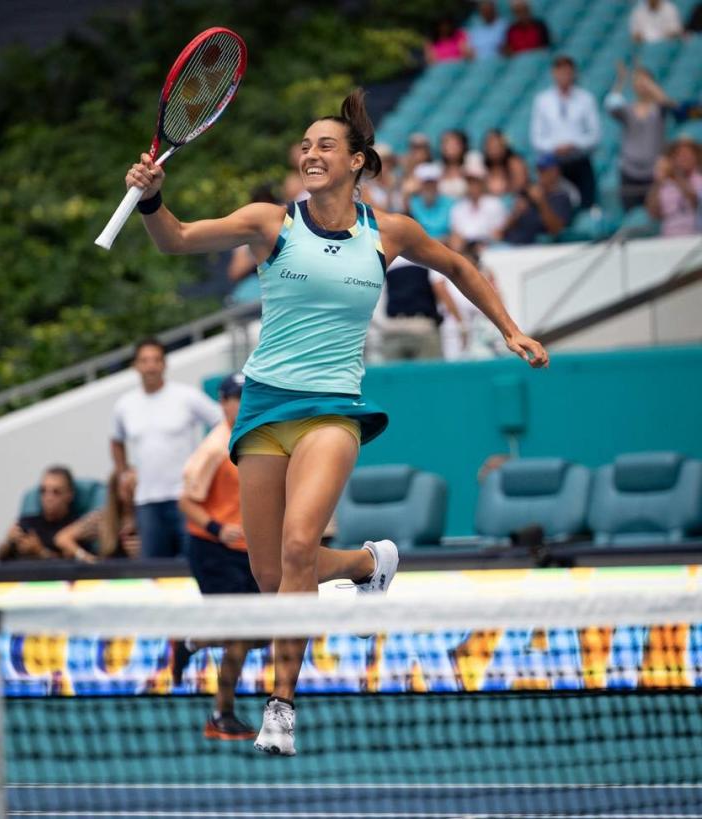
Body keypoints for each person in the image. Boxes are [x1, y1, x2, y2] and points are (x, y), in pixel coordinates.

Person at [123, 87, 548, 755]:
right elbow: (174, 238)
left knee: (297, 547)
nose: (311, 152)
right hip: (265, 406)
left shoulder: (390, 232)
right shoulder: (272, 221)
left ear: (357, 162)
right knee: (272, 577)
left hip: (333, 407)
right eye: (305, 145)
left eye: (326, 144)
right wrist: (150, 197)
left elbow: (460, 266)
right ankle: (365, 561)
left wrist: (511, 328)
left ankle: (281, 707)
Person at [174, 373, 262, 740]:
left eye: (246, 397)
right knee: (243, 633)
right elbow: (185, 501)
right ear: (223, 403)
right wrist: (217, 529)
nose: (240, 404)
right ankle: (221, 714)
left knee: (261, 633)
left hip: (247, 551)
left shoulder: (256, 440)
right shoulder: (214, 447)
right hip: (213, 551)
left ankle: (191, 641)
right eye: (233, 398)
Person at [111, 338, 223, 558]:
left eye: (156, 360)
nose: (150, 366)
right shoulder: (124, 405)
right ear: (135, 366)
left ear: (164, 364)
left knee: (191, 564)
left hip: (185, 497)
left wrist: (206, 460)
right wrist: (123, 473)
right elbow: (116, 440)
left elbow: (222, 422)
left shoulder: (186, 396)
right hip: (146, 499)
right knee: (152, 570)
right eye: (144, 361)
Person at [530, 55, 601, 209]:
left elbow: (594, 135)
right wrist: (555, 147)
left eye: (567, 72)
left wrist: (574, 145)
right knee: (557, 207)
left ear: (574, 73)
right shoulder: (542, 100)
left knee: (587, 205)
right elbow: (537, 137)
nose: (564, 76)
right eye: (560, 72)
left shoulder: (586, 99)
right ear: (554, 73)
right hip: (553, 164)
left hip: (579, 161)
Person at [606, 63, 677, 211]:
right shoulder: (627, 110)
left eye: (645, 81)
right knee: (630, 212)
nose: (641, 85)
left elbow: (669, 104)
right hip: (629, 170)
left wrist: (650, 85)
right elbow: (611, 107)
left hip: (655, 171)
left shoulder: (658, 109)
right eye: (638, 82)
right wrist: (621, 81)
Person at [372, 256, 466, 362]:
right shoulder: (428, 258)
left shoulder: (388, 260)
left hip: (393, 326)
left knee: (397, 376)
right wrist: (460, 323)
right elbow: (440, 289)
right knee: (427, 376)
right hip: (422, 326)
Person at [0, 466, 97, 562]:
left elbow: (78, 565)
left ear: (70, 494)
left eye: (56, 492)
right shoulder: (27, 524)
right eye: (43, 491)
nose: (48, 498)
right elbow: (2, 558)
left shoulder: (78, 529)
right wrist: (8, 542)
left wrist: (41, 552)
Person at [502, 154, 575, 244]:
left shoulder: (562, 197)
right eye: (539, 170)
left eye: (545, 170)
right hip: (512, 244)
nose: (540, 174)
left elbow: (556, 230)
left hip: (538, 249)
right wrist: (516, 213)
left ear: (555, 171)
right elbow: (503, 232)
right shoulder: (526, 194)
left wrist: (541, 202)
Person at [227, 185, 281, 304]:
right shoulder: (247, 236)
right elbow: (235, 272)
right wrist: (260, 249)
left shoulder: (290, 229)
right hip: (255, 293)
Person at [646, 135, 702, 236]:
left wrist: (675, 176)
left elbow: (695, 202)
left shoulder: (698, 179)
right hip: (669, 237)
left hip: (694, 236)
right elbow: (653, 212)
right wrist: (659, 182)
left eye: (688, 154)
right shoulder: (667, 182)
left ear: (696, 156)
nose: (684, 158)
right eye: (679, 154)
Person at [449, 158, 508, 249]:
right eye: (470, 181)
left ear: (482, 182)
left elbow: (498, 234)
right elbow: (456, 236)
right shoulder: (458, 207)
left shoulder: (495, 204)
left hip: (489, 248)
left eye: (476, 181)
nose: (473, 185)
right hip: (466, 249)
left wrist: (483, 243)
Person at [408, 163, 455, 241]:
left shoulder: (450, 203)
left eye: (432, 183)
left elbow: (454, 232)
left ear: (437, 184)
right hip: (419, 246)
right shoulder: (413, 203)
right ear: (421, 185)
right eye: (426, 183)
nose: (429, 187)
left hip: (445, 245)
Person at [482, 129, 530, 198]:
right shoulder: (484, 165)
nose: (492, 148)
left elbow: (521, 186)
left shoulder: (514, 162)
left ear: (504, 146)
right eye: (489, 145)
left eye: (496, 145)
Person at [438, 129, 470, 199]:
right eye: (446, 143)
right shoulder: (436, 170)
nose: (450, 147)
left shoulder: (471, 168)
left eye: (454, 144)